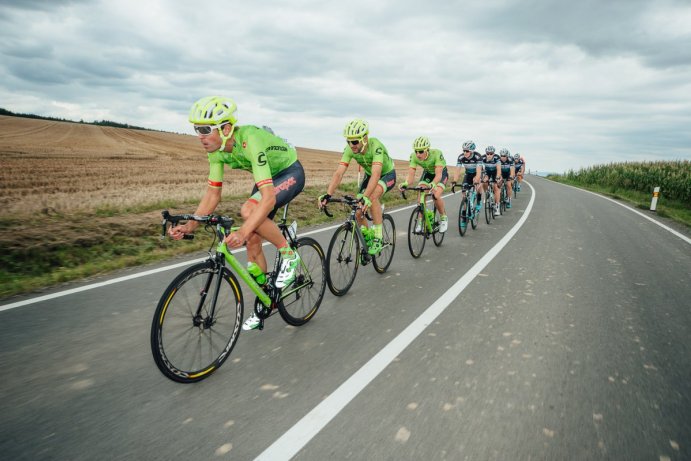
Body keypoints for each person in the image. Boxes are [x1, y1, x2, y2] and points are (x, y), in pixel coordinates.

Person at [169, 96, 305, 331]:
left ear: (226, 128)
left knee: (248, 213)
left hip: (289, 171)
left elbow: (269, 197)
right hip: (268, 179)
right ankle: (267, 300)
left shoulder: (249, 139)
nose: (199, 136)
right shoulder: (216, 151)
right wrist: (190, 225)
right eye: (196, 129)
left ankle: (289, 255)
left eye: (204, 129)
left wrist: (242, 231)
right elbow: (213, 195)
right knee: (252, 240)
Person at [319, 119, 396, 255]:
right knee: (359, 211)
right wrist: (328, 194)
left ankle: (378, 237)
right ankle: (368, 241)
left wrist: (366, 197)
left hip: (386, 175)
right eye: (348, 141)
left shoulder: (376, 146)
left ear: (365, 138)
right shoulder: (350, 150)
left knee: (371, 198)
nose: (351, 145)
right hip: (369, 175)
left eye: (354, 142)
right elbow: (339, 173)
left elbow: (376, 174)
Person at [399, 136, 449, 233]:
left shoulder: (436, 154)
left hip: (441, 174)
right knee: (420, 191)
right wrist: (405, 183)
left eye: (421, 151)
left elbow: (438, 175)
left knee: (436, 195)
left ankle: (443, 217)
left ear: (427, 149)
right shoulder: (413, 156)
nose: (418, 154)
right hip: (428, 173)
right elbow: (411, 175)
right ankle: (420, 222)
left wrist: (433, 184)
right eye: (416, 151)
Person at [451, 140, 483, 213]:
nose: (465, 153)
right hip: (468, 174)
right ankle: (465, 211)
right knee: (464, 191)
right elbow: (457, 171)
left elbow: (478, 173)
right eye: (464, 151)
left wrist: (476, 181)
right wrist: (454, 181)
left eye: (467, 151)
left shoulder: (478, 157)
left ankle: (478, 200)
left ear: (471, 151)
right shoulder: (461, 157)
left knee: (477, 184)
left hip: (477, 173)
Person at [481, 146, 502, 216]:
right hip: (487, 172)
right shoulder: (483, 158)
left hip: (495, 172)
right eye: (487, 153)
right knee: (484, 182)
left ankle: (497, 207)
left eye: (491, 153)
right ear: (485, 153)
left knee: (496, 187)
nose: (489, 155)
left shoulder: (497, 158)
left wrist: (498, 177)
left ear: (493, 154)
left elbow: (499, 169)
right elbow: (480, 168)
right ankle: (486, 193)